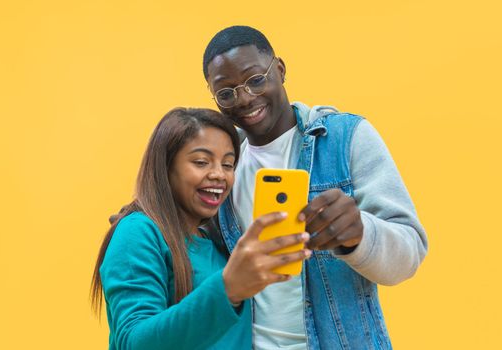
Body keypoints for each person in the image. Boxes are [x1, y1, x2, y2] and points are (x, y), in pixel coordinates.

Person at [201, 26, 428, 349]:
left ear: (279, 69)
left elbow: (409, 254)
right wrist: (145, 214)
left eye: (255, 80)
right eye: (226, 93)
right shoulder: (223, 166)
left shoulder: (346, 138)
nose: (245, 99)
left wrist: (359, 234)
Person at [91, 107, 311, 350]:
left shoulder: (220, 242)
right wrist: (227, 290)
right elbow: (133, 342)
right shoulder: (138, 232)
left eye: (228, 164)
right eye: (201, 162)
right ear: (165, 167)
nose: (219, 175)